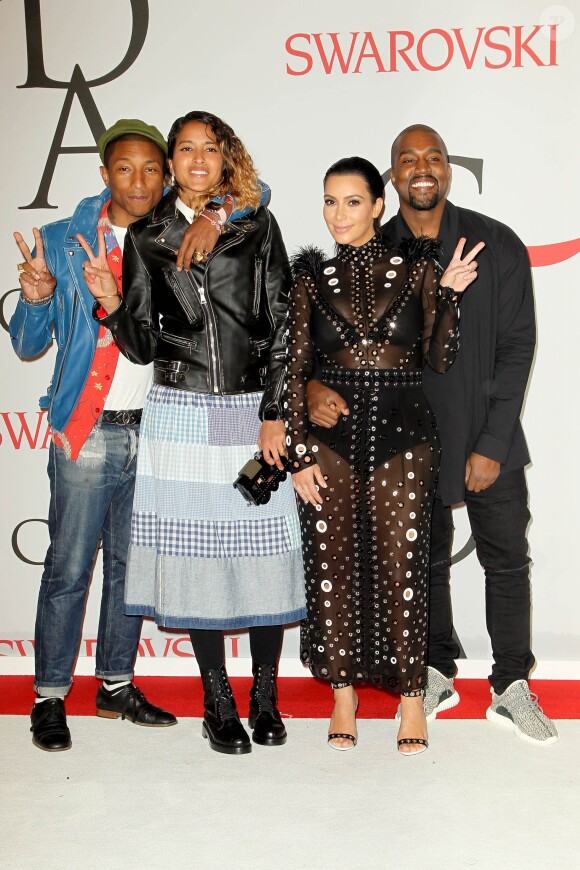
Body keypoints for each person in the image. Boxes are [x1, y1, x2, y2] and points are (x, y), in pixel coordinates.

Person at [307, 125, 559, 746]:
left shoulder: (495, 243)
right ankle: (438, 669)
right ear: (391, 179)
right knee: (423, 565)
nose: (422, 168)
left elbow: (517, 346)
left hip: (485, 437)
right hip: (405, 444)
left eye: (434, 158)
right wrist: (312, 389)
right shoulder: (373, 248)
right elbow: (331, 346)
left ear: (449, 170)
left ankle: (510, 684)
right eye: (407, 159)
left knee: (505, 562)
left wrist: (493, 442)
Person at [78, 110, 306, 756]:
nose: (199, 160)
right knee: (198, 562)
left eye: (211, 148)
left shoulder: (255, 221)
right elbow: (144, 344)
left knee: (265, 556)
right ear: (172, 161)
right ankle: (218, 702)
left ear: (225, 157)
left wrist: (275, 412)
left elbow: (284, 321)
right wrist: (113, 302)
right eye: (187, 149)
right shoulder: (147, 239)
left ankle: (266, 695)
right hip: (179, 415)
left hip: (250, 414)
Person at [286, 156, 482, 754]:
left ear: (377, 206)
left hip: (405, 436)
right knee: (331, 567)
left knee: (405, 570)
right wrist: (296, 455)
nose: (337, 214)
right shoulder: (310, 279)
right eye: (328, 201)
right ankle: (342, 694)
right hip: (332, 442)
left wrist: (448, 296)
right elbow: (293, 370)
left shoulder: (419, 268)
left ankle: (412, 700)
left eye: (351, 201)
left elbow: (440, 359)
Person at [9, 119, 178, 751]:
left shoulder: (177, 239)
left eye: (152, 169)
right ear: (104, 173)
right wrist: (34, 298)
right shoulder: (62, 241)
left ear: (166, 176)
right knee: (69, 569)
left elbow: (255, 192)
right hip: (89, 433)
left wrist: (205, 202)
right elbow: (28, 346)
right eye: (125, 168)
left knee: (131, 573)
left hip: (157, 434)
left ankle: (115, 686)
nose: (139, 181)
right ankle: (50, 696)